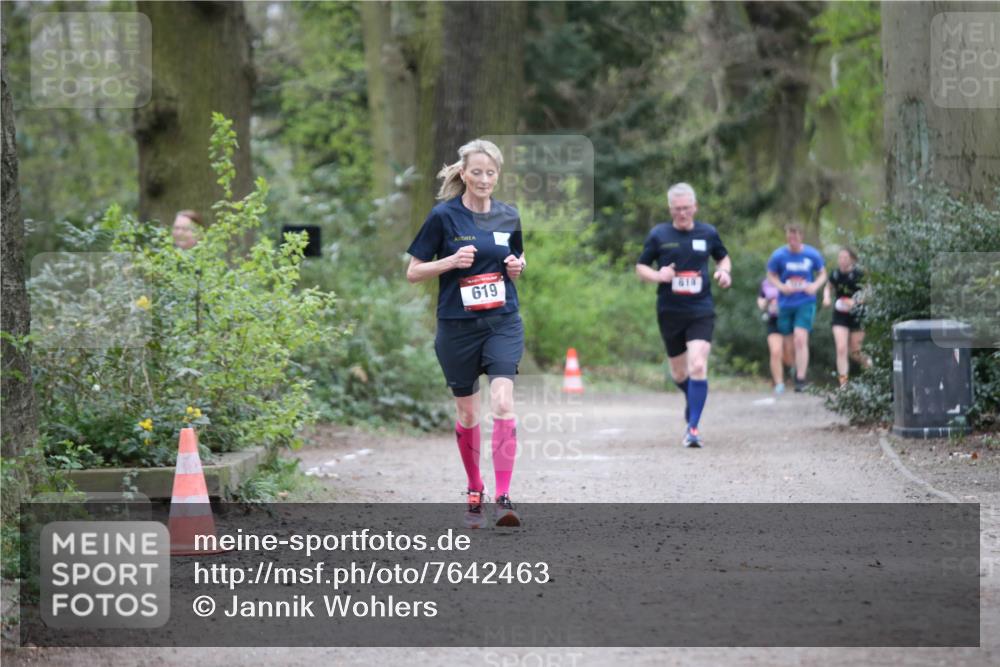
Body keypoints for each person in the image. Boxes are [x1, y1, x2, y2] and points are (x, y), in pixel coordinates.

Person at [406, 139, 525, 529]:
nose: (484, 179)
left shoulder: (509, 215)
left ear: (498, 175)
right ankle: (475, 488)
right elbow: (413, 271)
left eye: (491, 173)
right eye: (477, 172)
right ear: (463, 173)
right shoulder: (443, 217)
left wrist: (517, 267)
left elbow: (517, 257)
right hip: (457, 327)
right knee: (468, 412)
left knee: (503, 402)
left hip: (502, 321)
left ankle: (503, 498)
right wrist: (451, 261)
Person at [636, 182, 731, 448]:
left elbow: (723, 257)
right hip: (670, 311)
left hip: (701, 309)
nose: (682, 213)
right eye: (677, 209)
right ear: (670, 209)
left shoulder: (708, 233)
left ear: (695, 207)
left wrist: (724, 272)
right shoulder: (659, 234)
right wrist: (659, 275)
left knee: (698, 365)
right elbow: (641, 267)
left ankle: (693, 428)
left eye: (686, 208)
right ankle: (693, 397)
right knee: (679, 374)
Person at [767, 224, 826, 392]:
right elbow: (770, 275)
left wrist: (815, 286)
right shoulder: (778, 255)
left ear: (801, 236)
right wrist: (781, 286)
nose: (792, 239)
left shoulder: (812, 254)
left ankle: (801, 379)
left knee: (800, 337)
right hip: (785, 303)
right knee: (788, 346)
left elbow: (823, 273)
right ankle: (794, 369)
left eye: (795, 236)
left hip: (805, 301)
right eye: (789, 236)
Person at [822, 247, 871, 386]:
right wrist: (826, 298)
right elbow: (828, 287)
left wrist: (855, 301)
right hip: (840, 315)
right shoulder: (835, 274)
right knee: (841, 348)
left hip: (857, 315)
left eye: (845, 258)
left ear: (852, 259)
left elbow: (868, 293)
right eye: (840, 258)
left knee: (855, 352)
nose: (842, 260)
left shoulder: (859, 274)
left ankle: (870, 366)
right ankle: (843, 384)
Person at [757, 276, 787, 393]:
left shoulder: (790, 277)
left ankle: (797, 376)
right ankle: (779, 383)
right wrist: (768, 300)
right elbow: (761, 303)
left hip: (790, 319)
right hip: (773, 320)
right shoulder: (765, 283)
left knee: (788, 354)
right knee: (775, 352)